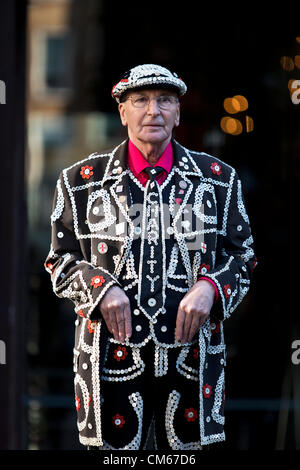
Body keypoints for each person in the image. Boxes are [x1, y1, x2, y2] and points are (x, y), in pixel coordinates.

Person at [44, 63, 257, 450]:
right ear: (122, 112)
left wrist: (211, 287)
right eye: (140, 100)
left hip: (192, 360)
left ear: (178, 111)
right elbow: (60, 260)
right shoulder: (80, 183)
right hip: (110, 361)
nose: (152, 111)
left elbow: (243, 255)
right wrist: (100, 288)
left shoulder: (218, 179)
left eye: (164, 101)